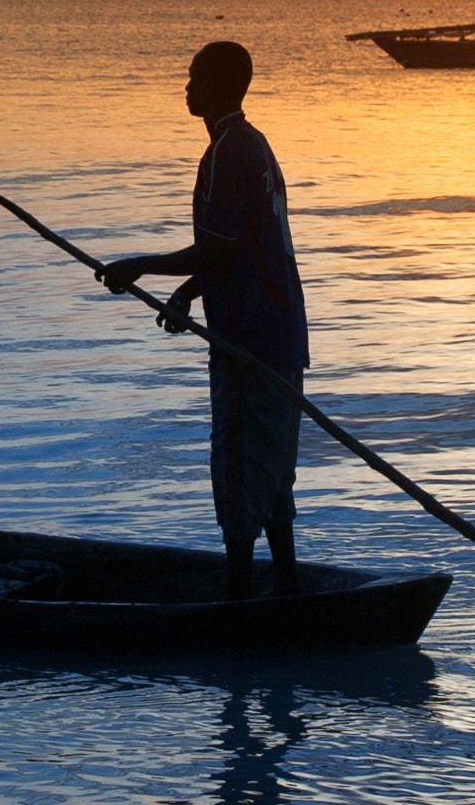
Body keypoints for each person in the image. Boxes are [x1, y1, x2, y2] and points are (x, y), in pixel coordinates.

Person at [96, 40, 309, 600]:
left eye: (195, 78)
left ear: (221, 85)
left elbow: (217, 251)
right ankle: (288, 588)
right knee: (272, 465)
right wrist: (189, 293)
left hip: (250, 340)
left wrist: (140, 265)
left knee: (238, 464)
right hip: (280, 333)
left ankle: (240, 596)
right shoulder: (253, 145)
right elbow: (237, 250)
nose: (187, 87)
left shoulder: (226, 153)